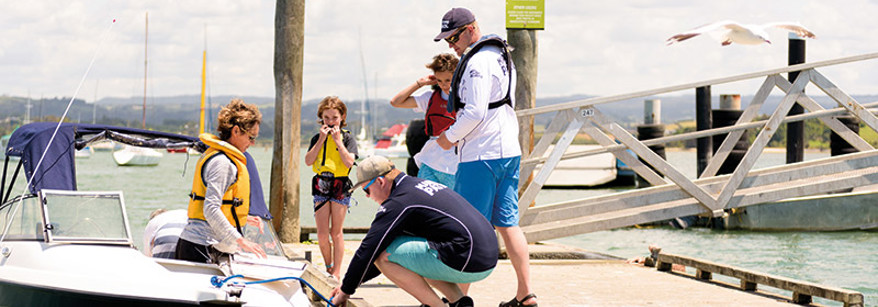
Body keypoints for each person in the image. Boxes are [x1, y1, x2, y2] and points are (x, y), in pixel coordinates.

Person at [433, 7, 539, 307]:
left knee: (467, 225)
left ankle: (458, 297)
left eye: (453, 37)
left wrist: (447, 137)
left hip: (481, 154)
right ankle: (525, 293)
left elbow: (475, 112)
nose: (450, 45)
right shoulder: (501, 56)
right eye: (446, 40)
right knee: (508, 223)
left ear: (471, 29)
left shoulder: (478, 61)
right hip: (508, 149)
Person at [329, 156, 497, 307]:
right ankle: (460, 302)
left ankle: (437, 306)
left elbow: (370, 250)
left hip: (467, 258)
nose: (367, 196)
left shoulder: (399, 202)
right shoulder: (416, 186)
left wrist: (345, 291)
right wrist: (350, 285)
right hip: (487, 257)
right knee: (410, 256)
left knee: (383, 257)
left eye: (366, 190)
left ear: (380, 182)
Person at [175, 98, 267, 263]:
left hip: (211, 247)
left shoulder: (226, 159)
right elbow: (210, 209)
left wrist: (243, 218)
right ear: (236, 131)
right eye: (251, 137)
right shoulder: (222, 163)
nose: (252, 143)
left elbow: (223, 205)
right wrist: (241, 240)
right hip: (200, 248)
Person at [304, 96, 358, 280]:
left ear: (342, 117)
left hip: (340, 185)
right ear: (321, 118)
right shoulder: (316, 138)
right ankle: (328, 267)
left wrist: (337, 141)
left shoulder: (348, 138)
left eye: (334, 117)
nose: (330, 122)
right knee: (321, 234)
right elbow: (308, 161)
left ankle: (337, 271)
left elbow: (350, 161)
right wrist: (321, 139)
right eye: (326, 118)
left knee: (336, 232)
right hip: (321, 183)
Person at [389, 53, 460, 189]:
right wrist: (420, 83)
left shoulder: (465, 97)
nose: (443, 85)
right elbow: (396, 102)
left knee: (452, 207)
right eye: (439, 80)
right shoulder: (429, 98)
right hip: (429, 160)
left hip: (453, 165)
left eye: (447, 80)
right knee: (427, 203)